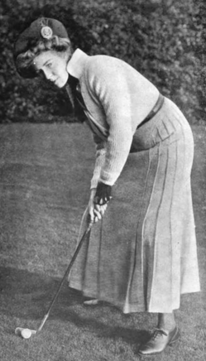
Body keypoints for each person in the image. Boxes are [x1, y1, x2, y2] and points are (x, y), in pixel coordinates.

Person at [13, 17, 200, 355]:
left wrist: (107, 185)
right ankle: (102, 287)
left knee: (153, 231)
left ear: (63, 51)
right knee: (102, 216)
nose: (47, 75)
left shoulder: (98, 70)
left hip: (167, 140)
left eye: (48, 66)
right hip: (137, 146)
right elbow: (104, 145)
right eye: (40, 72)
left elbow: (122, 130)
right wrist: (95, 192)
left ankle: (167, 325)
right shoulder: (78, 88)